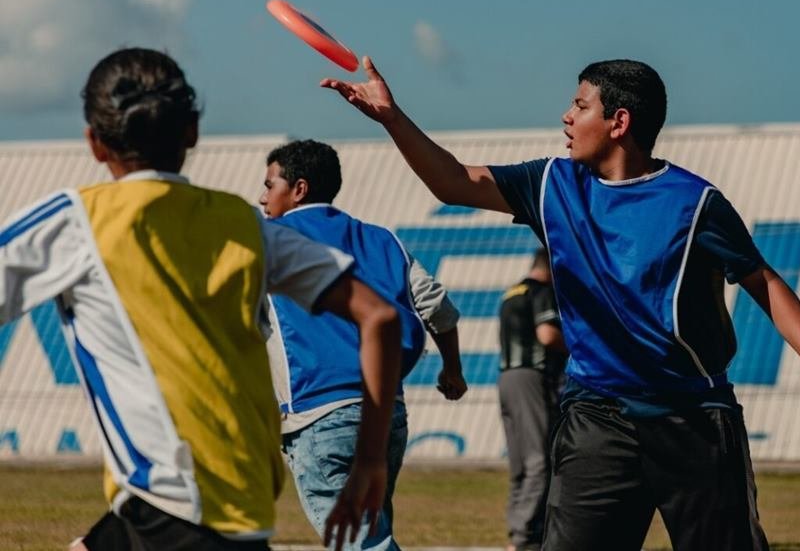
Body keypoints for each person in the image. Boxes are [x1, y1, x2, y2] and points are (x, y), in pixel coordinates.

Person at [321, 56, 800, 551]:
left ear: (619, 122)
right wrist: (392, 118)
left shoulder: (696, 204)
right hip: (596, 417)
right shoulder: (551, 185)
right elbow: (453, 182)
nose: (567, 117)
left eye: (579, 104)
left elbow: (761, 279)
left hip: (693, 416)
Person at [0, 48, 399, 551]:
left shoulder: (75, 222)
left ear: (95, 143)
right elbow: (379, 317)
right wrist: (370, 462)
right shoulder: (243, 224)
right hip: (236, 501)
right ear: (191, 133)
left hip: (174, 502)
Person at [258, 138, 468, 551]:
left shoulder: (270, 241)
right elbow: (437, 307)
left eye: (269, 185)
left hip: (320, 412)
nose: (262, 197)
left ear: (298, 189)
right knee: (370, 534)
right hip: (386, 411)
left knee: (360, 544)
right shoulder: (383, 239)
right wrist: (452, 369)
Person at [498, 248, 567, 551]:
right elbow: (548, 335)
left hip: (507, 378)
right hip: (532, 378)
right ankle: (527, 535)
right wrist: (577, 347)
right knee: (540, 459)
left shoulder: (511, 292)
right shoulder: (542, 291)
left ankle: (517, 532)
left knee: (520, 461)